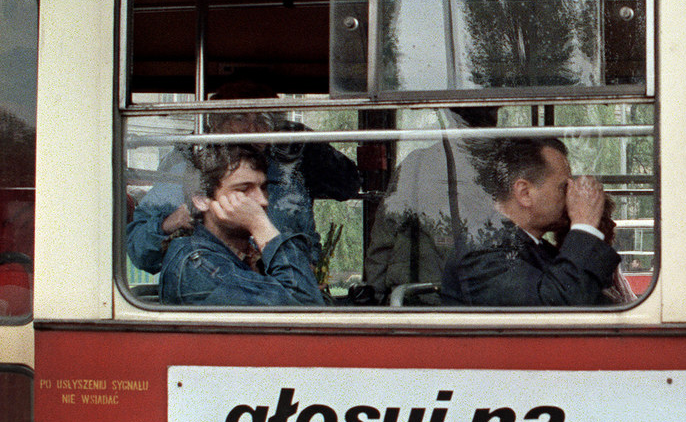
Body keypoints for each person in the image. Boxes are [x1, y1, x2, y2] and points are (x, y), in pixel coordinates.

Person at [126, 81, 360, 274]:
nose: (252, 128)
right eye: (239, 118)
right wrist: (172, 222)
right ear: (216, 123)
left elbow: (347, 186)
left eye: (263, 120)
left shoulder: (289, 171)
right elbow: (141, 254)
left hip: (288, 292)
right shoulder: (188, 167)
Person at [440, 137, 621, 306]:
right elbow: (557, 308)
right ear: (525, 193)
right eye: (563, 187)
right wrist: (584, 225)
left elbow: (593, 297)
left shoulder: (537, 247)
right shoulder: (481, 250)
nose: (570, 196)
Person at [159, 144, 328, 306]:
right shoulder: (196, 266)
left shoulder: (244, 255)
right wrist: (260, 225)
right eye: (243, 190)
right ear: (202, 200)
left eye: (263, 188)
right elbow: (305, 307)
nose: (263, 201)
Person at [363, 107, 500, 301]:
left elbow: (384, 239)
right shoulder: (507, 166)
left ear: (448, 117)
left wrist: (375, 296)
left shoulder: (417, 164)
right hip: (479, 300)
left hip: (418, 297)